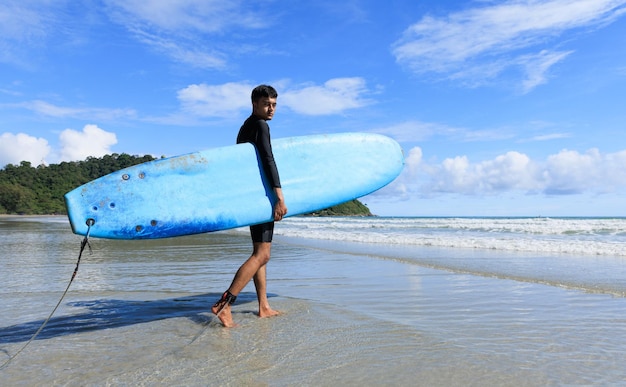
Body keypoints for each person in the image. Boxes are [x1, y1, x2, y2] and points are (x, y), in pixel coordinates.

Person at [211, 84, 288, 327]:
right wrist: (279, 197)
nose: (271, 109)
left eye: (274, 104)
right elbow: (268, 159)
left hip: (252, 196)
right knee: (263, 254)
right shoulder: (261, 126)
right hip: (263, 196)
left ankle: (263, 306)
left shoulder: (245, 127)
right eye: (267, 104)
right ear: (254, 103)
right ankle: (225, 304)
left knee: (259, 253)